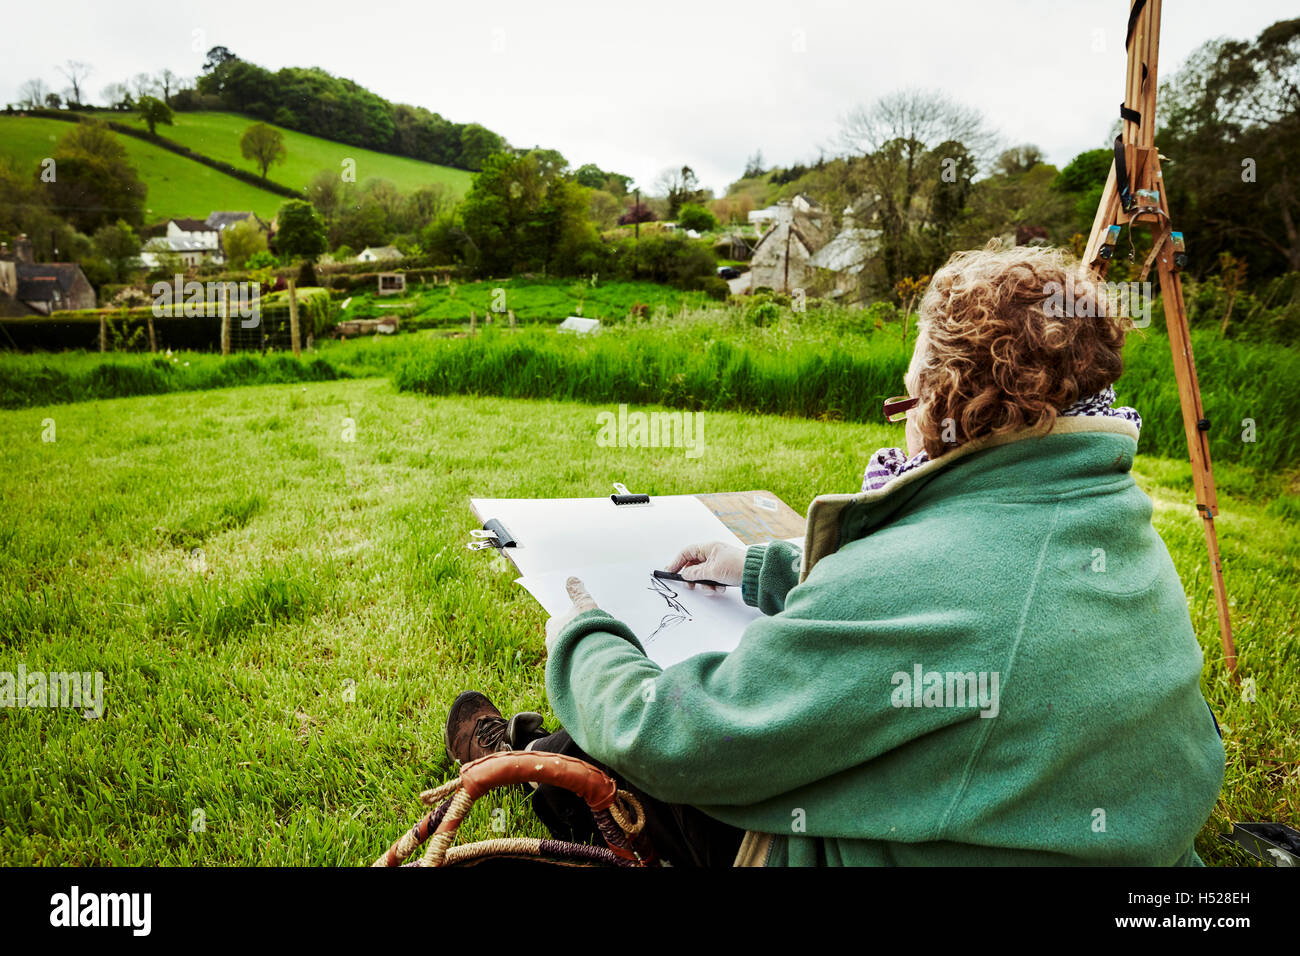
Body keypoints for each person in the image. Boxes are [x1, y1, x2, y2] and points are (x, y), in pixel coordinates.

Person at [444, 244, 1226, 866]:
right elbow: (945, 607)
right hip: (1100, 832)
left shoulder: (930, 573)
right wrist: (758, 567)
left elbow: (684, 739)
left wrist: (584, 637)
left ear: (955, 400)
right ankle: (539, 753)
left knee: (622, 732)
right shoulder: (1105, 512)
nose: (900, 423)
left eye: (908, 398)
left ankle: (541, 767)